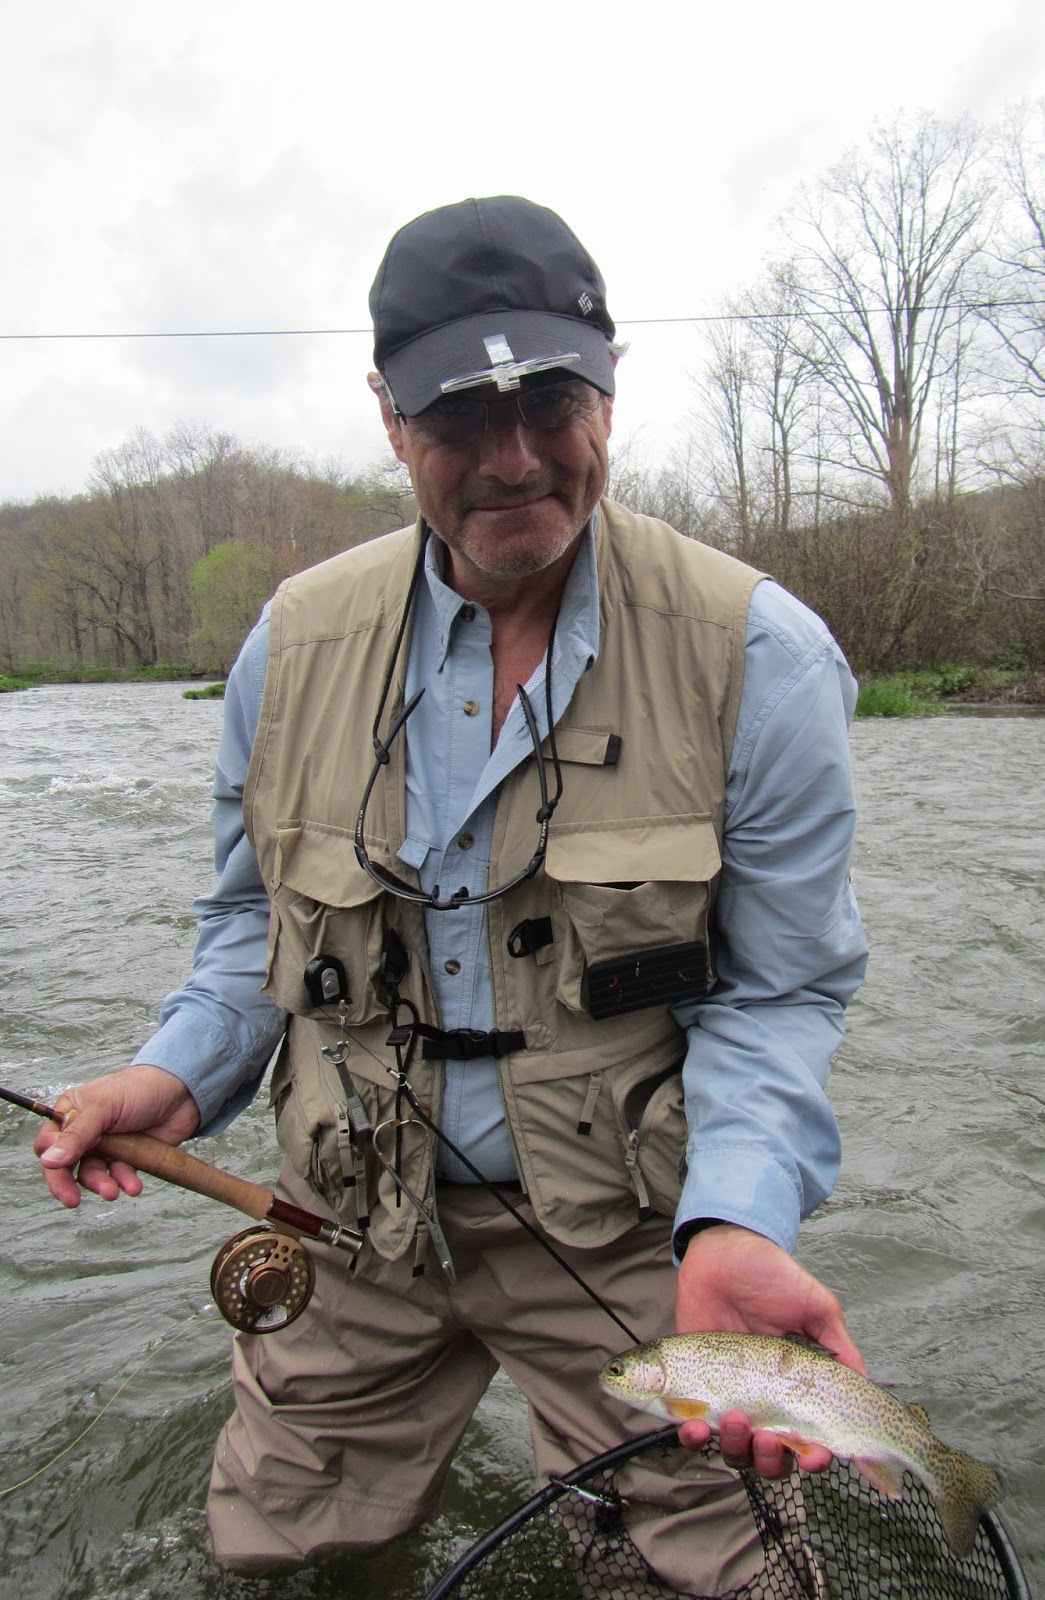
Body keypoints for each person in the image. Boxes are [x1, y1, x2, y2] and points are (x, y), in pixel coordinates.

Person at [36, 196, 869, 1584]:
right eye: (457, 418)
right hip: (350, 1211)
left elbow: (784, 991)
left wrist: (736, 1225)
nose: (516, 459)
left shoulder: (761, 657)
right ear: (386, 416)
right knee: (285, 1562)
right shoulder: (287, 650)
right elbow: (255, 927)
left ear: (611, 387)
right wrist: (172, 1082)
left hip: (629, 1228)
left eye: (551, 400)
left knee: (710, 1575)